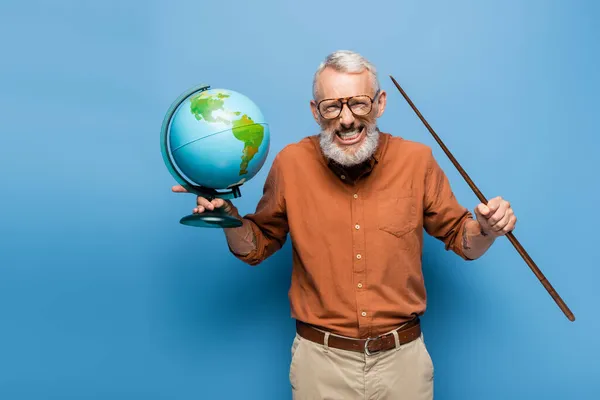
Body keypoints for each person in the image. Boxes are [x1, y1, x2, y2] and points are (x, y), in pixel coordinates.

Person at [172, 50, 517, 399]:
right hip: (320, 366)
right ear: (315, 111)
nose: (347, 119)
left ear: (380, 103)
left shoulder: (417, 161)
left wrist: (487, 229)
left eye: (359, 104)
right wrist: (230, 221)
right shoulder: (291, 164)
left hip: (403, 365)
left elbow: (463, 239)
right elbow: (257, 246)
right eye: (332, 106)